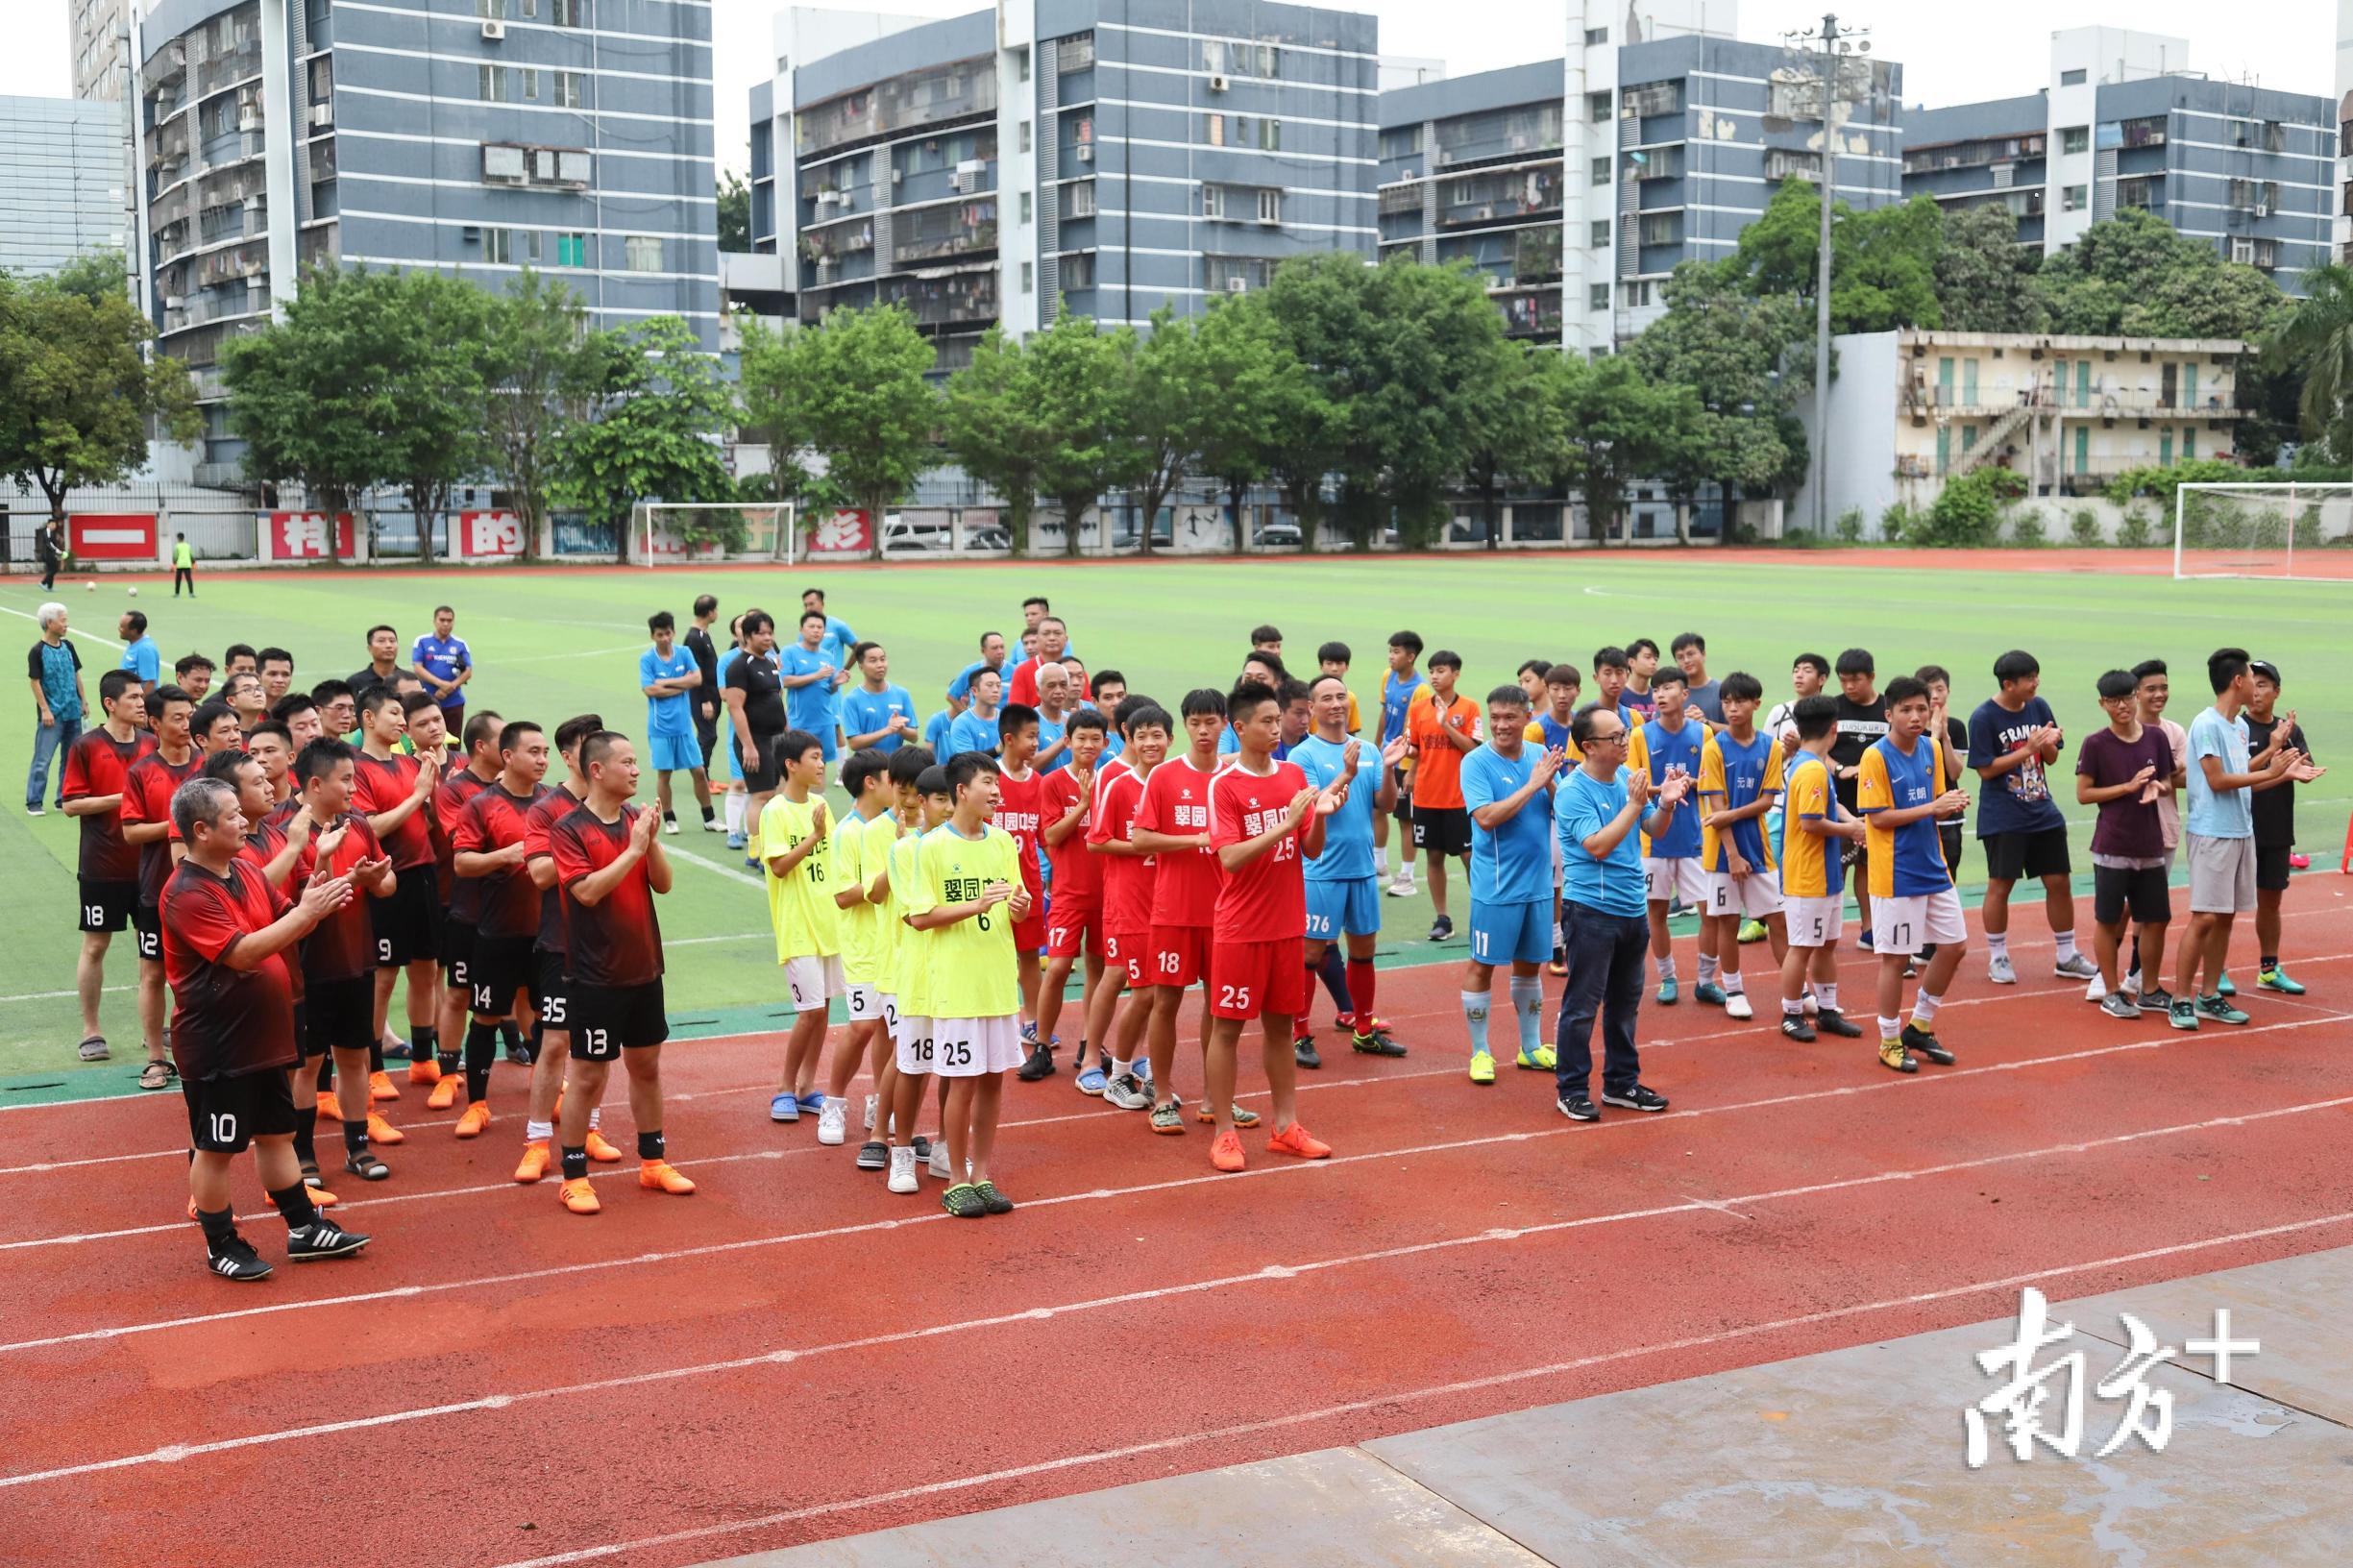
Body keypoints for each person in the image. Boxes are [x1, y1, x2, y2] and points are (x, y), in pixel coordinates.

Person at [162, 776, 370, 1279]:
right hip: (219, 1045)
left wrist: (319, 884)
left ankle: (303, 1227)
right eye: (231, 815)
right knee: (216, 1149)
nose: (243, 822)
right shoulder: (186, 893)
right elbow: (244, 952)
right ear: (201, 830)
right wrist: (306, 911)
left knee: (277, 1136)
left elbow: (286, 918)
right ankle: (221, 1243)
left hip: (263, 1035)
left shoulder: (246, 872)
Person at [548, 731, 695, 1213]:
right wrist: (632, 850)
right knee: (588, 1077)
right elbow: (586, 892)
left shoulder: (636, 820)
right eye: (627, 762)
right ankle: (573, 1175)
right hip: (594, 977)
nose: (636, 770)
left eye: (637, 762)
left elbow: (665, 885)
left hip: (644, 970)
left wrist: (648, 844)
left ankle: (653, 1162)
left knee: (646, 1068)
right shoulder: (569, 828)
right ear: (596, 770)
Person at [1202, 679, 1331, 1172]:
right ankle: (1225, 1134)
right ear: (1240, 728)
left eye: (1279, 720)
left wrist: (1317, 815)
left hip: (1286, 925)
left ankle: (1286, 1127)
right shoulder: (1225, 785)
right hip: (1240, 927)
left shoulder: (1294, 774)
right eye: (1267, 721)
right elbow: (1231, 857)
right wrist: (1287, 820)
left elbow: (1310, 848)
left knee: (1281, 1028)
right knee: (1228, 1030)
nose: (1277, 728)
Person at [903, 752, 1029, 1216]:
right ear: (962, 791)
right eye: (987, 783)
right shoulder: (931, 847)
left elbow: (1016, 904)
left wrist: (1018, 907)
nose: (996, 792)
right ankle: (955, 1178)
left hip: (997, 980)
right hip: (955, 985)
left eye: (997, 784)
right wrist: (975, 905)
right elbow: (919, 916)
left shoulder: (1003, 842)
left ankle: (983, 1173)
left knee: (993, 1080)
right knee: (961, 1082)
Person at [2169, 649, 2318, 1031]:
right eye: (2252, 677)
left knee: (2224, 918)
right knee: (2203, 917)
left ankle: (2209, 996)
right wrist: (2272, 768)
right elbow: (2218, 781)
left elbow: (2242, 770)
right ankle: (2181, 1000)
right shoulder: (2206, 725)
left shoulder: (2236, 726)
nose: (2255, 685)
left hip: (2240, 831)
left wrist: (2280, 767)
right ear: (2238, 681)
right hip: (2212, 833)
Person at [1552, 705, 1680, 1122]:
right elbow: (1599, 845)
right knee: (1582, 1006)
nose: (1626, 742)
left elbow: (1653, 829)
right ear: (1589, 746)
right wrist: (1634, 803)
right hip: (1590, 912)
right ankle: (1571, 1089)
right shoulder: (1573, 791)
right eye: (1616, 738)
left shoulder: (1627, 779)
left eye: (1625, 734)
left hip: (1631, 909)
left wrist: (1668, 805)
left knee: (1625, 1003)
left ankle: (1621, 1083)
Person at [514, 713, 624, 1178]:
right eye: (586, 744)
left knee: (598, 1046)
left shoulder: (618, 807)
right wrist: (587, 857)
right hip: (561, 942)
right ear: (570, 756)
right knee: (555, 1043)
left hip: (610, 943)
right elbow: (539, 874)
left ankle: (592, 1128)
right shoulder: (547, 809)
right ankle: (538, 1138)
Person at [286, 738, 399, 1176]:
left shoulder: (358, 823)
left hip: (357, 962)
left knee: (355, 1057)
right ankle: (303, 1154)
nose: (355, 787)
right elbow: (299, 899)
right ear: (316, 784)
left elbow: (388, 886)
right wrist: (345, 875)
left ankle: (357, 1148)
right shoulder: (290, 833)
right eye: (346, 779)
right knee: (309, 1065)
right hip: (311, 968)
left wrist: (371, 880)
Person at [1857, 676, 1973, 1073]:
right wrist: (1933, 809)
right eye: (1906, 709)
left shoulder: (1931, 748)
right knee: (1895, 959)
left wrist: (1950, 803)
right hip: (1896, 872)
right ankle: (1889, 1040)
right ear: (1889, 714)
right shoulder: (1876, 756)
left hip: (1933, 866)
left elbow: (1936, 800)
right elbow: (1878, 818)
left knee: (1955, 945)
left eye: (1922, 708)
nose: (1915, 716)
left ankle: (1919, 1025)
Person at [1131, 689, 1234, 1126]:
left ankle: (1215, 1097)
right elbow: (1140, 839)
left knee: (1219, 1006)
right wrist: (1195, 839)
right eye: (1196, 723)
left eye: (1212, 722)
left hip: (1226, 912)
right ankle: (1163, 1095)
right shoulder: (1164, 777)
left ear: (1225, 724)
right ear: (1185, 727)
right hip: (1173, 909)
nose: (1204, 730)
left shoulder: (1233, 778)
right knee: (1166, 1001)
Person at [1969, 650, 2095, 987]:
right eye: (2028, 678)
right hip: (2003, 815)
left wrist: (2048, 743)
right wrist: (2028, 747)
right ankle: (1998, 956)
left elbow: (2050, 759)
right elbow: (1984, 769)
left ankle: (2067, 955)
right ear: (2008, 684)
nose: (2035, 683)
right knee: (2000, 885)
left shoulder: (2039, 707)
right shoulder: (1984, 717)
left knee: (2059, 881)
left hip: (2042, 810)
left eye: (2037, 676)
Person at [450, 720, 551, 1139]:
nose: (543, 760)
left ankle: (550, 1093)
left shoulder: (552, 802)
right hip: (498, 931)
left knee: (549, 1018)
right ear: (507, 756)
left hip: (547, 934)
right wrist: (505, 855)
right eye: (534, 752)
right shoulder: (482, 805)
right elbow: (461, 862)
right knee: (486, 1017)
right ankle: (476, 1104)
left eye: (546, 752)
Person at [1458, 683, 1561, 1084]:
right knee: (1483, 966)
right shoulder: (1476, 763)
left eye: (1509, 717)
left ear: (1527, 718)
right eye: (1495, 717)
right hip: (1496, 888)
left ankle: (1531, 1047)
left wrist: (1552, 784)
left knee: (1530, 968)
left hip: (1538, 885)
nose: (1501, 725)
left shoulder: (1540, 756)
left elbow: (1562, 808)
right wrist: (1534, 785)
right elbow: (1485, 818)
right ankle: (1480, 1052)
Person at [353, 687, 443, 1089]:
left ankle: (424, 1059)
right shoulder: (356, 768)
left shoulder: (410, 763)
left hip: (423, 873)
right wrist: (418, 796)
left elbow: (427, 822)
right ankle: (372, 1068)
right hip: (386, 879)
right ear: (369, 719)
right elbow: (368, 827)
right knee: (384, 975)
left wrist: (432, 794)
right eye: (394, 714)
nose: (402, 722)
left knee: (426, 969)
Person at [60, 670, 153, 1062]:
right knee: (96, 945)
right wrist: (123, 798)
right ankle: (91, 1030)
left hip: (150, 866)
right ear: (110, 703)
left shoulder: (152, 743)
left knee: (153, 951)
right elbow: (70, 805)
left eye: (141, 697)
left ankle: (154, 1027)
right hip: (102, 866)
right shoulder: (85, 746)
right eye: (132, 698)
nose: (141, 703)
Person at [2074, 670, 2176, 1022]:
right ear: (2102, 703)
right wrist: (2127, 787)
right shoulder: (2096, 744)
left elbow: (2165, 779)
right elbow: (2084, 794)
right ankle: (2111, 990)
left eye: (2128, 697)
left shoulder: (2156, 738)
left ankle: (2149, 989)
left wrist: (2157, 789)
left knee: (2157, 919)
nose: (2123, 706)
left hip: (2150, 844)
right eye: (2114, 700)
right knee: (2108, 919)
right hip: (2112, 845)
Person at [1086, 700, 1170, 1109]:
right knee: (1144, 991)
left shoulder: (1173, 784)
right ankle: (1117, 1072)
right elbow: (1096, 840)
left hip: (1168, 904)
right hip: (1131, 904)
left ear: (1171, 739)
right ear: (1129, 740)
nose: (1150, 742)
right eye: (1142, 736)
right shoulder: (1119, 785)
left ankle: (1147, 1068)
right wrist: (1144, 847)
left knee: (1161, 993)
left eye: (1158, 735)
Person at [118, 684, 202, 1089]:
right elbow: (131, 832)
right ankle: (155, 1057)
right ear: (154, 723)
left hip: (210, 888)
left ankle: (201, 1050)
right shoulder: (141, 772)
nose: (187, 725)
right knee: (154, 974)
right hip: (157, 890)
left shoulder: (207, 765)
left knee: (208, 973)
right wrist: (178, 826)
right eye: (178, 718)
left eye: (190, 716)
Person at [1773, 696, 1866, 1041]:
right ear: (1834, 728)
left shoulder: (1811, 763)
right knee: (1802, 947)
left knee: (1826, 944)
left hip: (1824, 874)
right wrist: (1852, 830)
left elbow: (1831, 804)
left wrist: (1850, 819)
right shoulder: (1811, 768)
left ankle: (1827, 1010)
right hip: (1808, 875)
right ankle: (1791, 1013)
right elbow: (1811, 822)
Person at [821, 747, 897, 1162]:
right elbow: (842, 894)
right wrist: (885, 880)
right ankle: (834, 1104)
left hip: (892, 944)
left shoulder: (892, 828)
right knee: (863, 1026)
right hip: (862, 947)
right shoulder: (849, 832)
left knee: (887, 1027)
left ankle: (877, 1098)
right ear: (872, 782)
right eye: (891, 778)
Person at [761, 728, 841, 1123]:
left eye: (822, 756)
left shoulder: (822, 803)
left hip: (829, 924)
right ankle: (784, 1088)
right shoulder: (774, 810)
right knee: (809, 1012)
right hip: (797, 926)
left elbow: (839, 855)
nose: (822, 763)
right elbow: (778, 865)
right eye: (814, 757)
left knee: (823, 1009)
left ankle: (807, 1087)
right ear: (792, 765)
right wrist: (815, 836)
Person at [869, 745, 939, 1190]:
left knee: (921, 1055)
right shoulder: (880, 831)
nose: (913, 802)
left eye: (921, 795)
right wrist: (899, 851)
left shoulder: (938, 832)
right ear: (893, 786)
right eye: (907, 792)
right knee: (904, 1053)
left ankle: (905, 1131)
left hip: (930, 958)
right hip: (898, 958)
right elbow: (875, 895)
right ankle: (882, 1134)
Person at [1695, 673, 1784, 1021]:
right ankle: (1733, 989)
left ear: (1755, 704)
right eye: (1727, 702)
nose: (1732, 708)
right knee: (1727, 922)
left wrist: (1730, 815)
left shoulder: (1770, 747)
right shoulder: (1714, 747)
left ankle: (1797, 989)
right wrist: (1732, 855)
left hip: (1759, 849)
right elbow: (1715, 808)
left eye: (1740, 702)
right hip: (1721, 855)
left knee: (1778, 920)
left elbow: (1765, 802)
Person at [426, 707, 505, 1098]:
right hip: (469, 909)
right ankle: (446, 1075)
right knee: (459, 992)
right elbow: (463, 843)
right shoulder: (456, 790)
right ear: (481, 746)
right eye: (502, 740)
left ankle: (548, 1074)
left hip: (511, 913)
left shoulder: (521, 787)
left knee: (526, 995)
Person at [1626, 669, 1710, 1005]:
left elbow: (1711, 780)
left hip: (1694, 839)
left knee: (1710, 913)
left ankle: (1705, 979)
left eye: (1667, 688)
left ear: (1684, 694)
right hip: (1653, 840)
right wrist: (1668, 788)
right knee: (1656, 913)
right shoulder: (1640, 736)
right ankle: (1668, 978)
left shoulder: (1702, 734)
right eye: (1656, 689)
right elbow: (1635, 784)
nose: (1659, 694)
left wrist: (1687, 784)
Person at [1035, 710, 1110, 1083]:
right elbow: (1050, 837)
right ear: (1067, 740)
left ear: (1106, 743)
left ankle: (1088, 1044)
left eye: (1095, 739)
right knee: (1059, 968)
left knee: (1098, 969)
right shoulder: (1052, 784)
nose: (1087, 745)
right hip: (1067, 894)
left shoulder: (1113, 781)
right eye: (1080, 738)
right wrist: (1082, 804)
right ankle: (1042, 1046)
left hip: (1110, 895)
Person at [2246, 660, 2314, 996]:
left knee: (2270, 902)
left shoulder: (2289, 730)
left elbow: (2304, 764)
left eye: (2263, 684)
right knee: (2224, 907)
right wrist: (2274, 760)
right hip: (2239, 830)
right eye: (2252, 683)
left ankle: (2269, 969)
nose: (2256, 691)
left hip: (2275, 829)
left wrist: (2297, 768)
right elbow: (2229, 778)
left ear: (2277, 692)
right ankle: (2220, 972)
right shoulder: (2235, 728)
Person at [1405, 649, 1480, 943]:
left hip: (1460, 798)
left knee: (1470, 857)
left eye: (1442, 671)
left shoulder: (1470, 708)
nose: (1435, 676)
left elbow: (1473, 749)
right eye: (1432, 671)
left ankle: (1483, 913)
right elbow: (1416, 749)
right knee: (1433, 856)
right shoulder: (1419, 708)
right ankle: (1443, 919)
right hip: (1426, 796)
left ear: (1456, 674)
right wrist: (1409, 768)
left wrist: (1446, 724)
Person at [993, 704, 1052, 1063]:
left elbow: (1044, 837)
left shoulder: (1039, 783)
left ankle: (1034, 1020)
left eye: (1038, 735)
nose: (1036, 743)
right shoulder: (988, 777)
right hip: (990, 884)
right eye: (1031, 736)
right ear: (1009, 739)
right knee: (991, 953)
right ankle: (998, 1018)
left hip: (1027, 883)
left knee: (1030, 954)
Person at [2128, 659, 2189, 993]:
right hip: (2126, 832)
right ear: (2136, 692)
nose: (2159, 694)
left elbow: (2184, 777)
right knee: (2123, 906)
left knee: (2149, 908)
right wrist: (2169, 768)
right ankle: (2105, 976)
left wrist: (2163, 771)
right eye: (2151, 688)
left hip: (2163, 829)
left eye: (2163, 687)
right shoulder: (2123, 730)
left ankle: (2135, 972)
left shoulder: (2174, 732)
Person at [1830, 649, 1888, 948]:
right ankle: (1828, 930)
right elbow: (1818, 749)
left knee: (1867, 868)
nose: (1850, 687)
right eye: (1844, 681)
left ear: (1871, 677)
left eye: (1856, 680)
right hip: (1838, 806)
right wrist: (1841, 769)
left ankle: (1869, 930)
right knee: (1835, 867)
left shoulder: (1887, 710)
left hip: (1876, 807)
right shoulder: (1833, 709)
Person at [640, 611, 713, 835]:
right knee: (665, 774)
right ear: (653, 636)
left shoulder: (684, 652)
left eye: (668, 633)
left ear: (674, 632)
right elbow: (650, 689)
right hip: (660, 727)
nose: (665, 638)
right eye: (660, 634)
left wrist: (668, 683)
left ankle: (709, 817)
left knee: (699, 771)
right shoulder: (647, 659)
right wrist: (684, 684)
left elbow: (697, 679)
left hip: (684, 726)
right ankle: (670, 818)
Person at [723, 610, 786, 863]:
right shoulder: (739, 666)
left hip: (777, 739)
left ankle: (770, 846)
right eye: (761, 633)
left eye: (770, 632)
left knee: (778, 795)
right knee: (761, 795)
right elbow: (735, 706)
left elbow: (776, 700)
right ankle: (756, 853)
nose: (768, 637)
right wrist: (748, 746)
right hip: (756, 741)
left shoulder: (770, 663)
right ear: (748, 636)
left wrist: (787, 732)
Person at [1378, 631, 1429, 895]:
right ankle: (1380, 866)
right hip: (1386, 756)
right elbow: (1384, 713)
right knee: (1377, 808)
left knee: (1405, 819)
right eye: (1390, 650)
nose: (1391, 656)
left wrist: (1413, 770)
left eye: (1396, 652)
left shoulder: (1420, 690)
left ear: (1411, 657)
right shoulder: (1388, 676)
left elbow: (1418, 733)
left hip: (1405, 762)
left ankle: (1407, 878)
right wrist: (1375, 748)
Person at [26, 601, 86, 815]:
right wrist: (45, 709)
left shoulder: (68, 646)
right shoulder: (37, 651)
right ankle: (34, 801)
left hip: (73, 712)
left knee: (70, 759)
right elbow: (35, 681)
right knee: (43, 759)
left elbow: (76, 673)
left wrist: (83, 700)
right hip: (52, 716)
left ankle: (63, 797)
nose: (66, 624)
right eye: (63, 620)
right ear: (49, 623)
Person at [780, 608, 844, 765]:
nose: (816, 630)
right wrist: (816, 675)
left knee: (820, 765)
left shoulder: (827, 656)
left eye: (820, 627)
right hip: (799, 721)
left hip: (824, 721)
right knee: (796, 765)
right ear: (802, 629)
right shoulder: (789, 652)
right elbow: (785, 681)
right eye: (811, 626)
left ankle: (819, 791)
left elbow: (828, 689)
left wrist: (836, 683)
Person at [800, 587, 857, 755]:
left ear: (822, 603)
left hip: (831, 685)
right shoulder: (805, 629)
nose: (809, 607)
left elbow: (857, 647)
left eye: (812, 603)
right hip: (809, 686)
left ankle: (841, 771)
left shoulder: (837, 626)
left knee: (835, 725)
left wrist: (844, 669)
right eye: (806, 605)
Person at [841, 641, 917, 754]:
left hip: (894, 766)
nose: (880, 665)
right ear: (861, 666)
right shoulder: (851, 700)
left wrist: (901, 729)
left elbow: (914, 737)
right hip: (867, 767)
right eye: (873, 661)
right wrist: (888, 730)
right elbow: (854, 743)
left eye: (883, 659)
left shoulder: (902, 694)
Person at [411, 606, 472, 732]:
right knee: (428, 736)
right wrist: (441, 684)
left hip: (454, 701)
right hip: (427, 699)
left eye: (449, 620)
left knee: (453, 741)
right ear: (435, 621)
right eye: (442, 620)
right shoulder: (422, 641)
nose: (446, 624)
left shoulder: (460, 644)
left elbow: (468, 671)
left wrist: (451, 686)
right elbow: (418, 668)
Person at [685, 594, 723, 773]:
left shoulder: (702, 634)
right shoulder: (694, 638)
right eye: (715, 609)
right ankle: (702, 776)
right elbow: (696, 671)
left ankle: (704, 774)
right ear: (709, 612)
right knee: (708, 736)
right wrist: (705, 700)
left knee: (709, 736)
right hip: (702, 696)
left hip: (711, 692)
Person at [945, 668, 1005, 761]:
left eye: (998, 685)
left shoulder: (1007, 719)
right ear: (974, 691)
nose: (995, 690)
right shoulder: (962, 723)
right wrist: (997, 750)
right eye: (990, 685)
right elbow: (968, 761)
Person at [945, 631, 1010, 716]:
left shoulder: (1016, 671)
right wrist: (967, 717)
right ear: (983, 651)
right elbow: (951, 696)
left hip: (1006, 725)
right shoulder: (971, 671)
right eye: (995, 648)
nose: (1000, 651)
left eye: (1002, 647)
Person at [1315, 642, 1364, 737]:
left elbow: (1351, 732)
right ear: (1321, 666)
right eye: (1329, 663)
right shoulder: (1310, 697)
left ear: (1347, 667)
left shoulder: (1350, 698)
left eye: (1339, 663)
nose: (1334, 668)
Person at [1674, 633, 1723, 723]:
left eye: (1690, 654)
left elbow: (1736, 732)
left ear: (1703, 654)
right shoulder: (1670, 692)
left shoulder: (1722, 690)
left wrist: (1705, 723)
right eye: (1680, 657)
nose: (1686, 660)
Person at [350, 625, 405, 699]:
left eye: (392, 641)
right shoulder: (355, 682)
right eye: (381, 641)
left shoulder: (408, 680)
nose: (389, 645)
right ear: (369, 648)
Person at [118, 610, 160, 696]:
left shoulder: (145, 649)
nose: (119, 629)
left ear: (133, 631)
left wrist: (140, 704)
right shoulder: (134, 644)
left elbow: (150, 682)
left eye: (122, 627)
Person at [1591, 646, 1635, 726]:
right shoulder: (1585, 718)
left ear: (1627, 676)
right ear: (1596, 677)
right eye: (1607, 673)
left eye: (1619, 673)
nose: (1614, 680)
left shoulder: (1634, 718)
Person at [1622, 638, 1663, 721]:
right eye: (1648, 657)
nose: (1653, 662)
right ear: (1631, 662)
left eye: (1656, 659)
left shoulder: (1658, 695)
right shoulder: (1619, 696)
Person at [37, 518, 62, 592]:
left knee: (51, 570)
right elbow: (49, 543)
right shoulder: (47, 532)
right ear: (48, 525)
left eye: (54, 524)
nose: (53, 526)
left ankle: (49, 587)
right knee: (54, 569)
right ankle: (43, 583)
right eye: (52, 524)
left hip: (51, 553)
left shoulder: (52, 532)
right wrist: (56, 550)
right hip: (48, 554)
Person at [171, 532, 195, 598]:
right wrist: (193, 562)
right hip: (187, 564)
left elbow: (175, 556)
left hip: (180, 565)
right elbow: (191, 555)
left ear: (178, 538)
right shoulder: (188, 545)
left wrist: (174, 562)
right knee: (189, 579)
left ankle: (177, 594)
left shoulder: (177, 546)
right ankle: (191, 593)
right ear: (183, 538)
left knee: (178, 580)